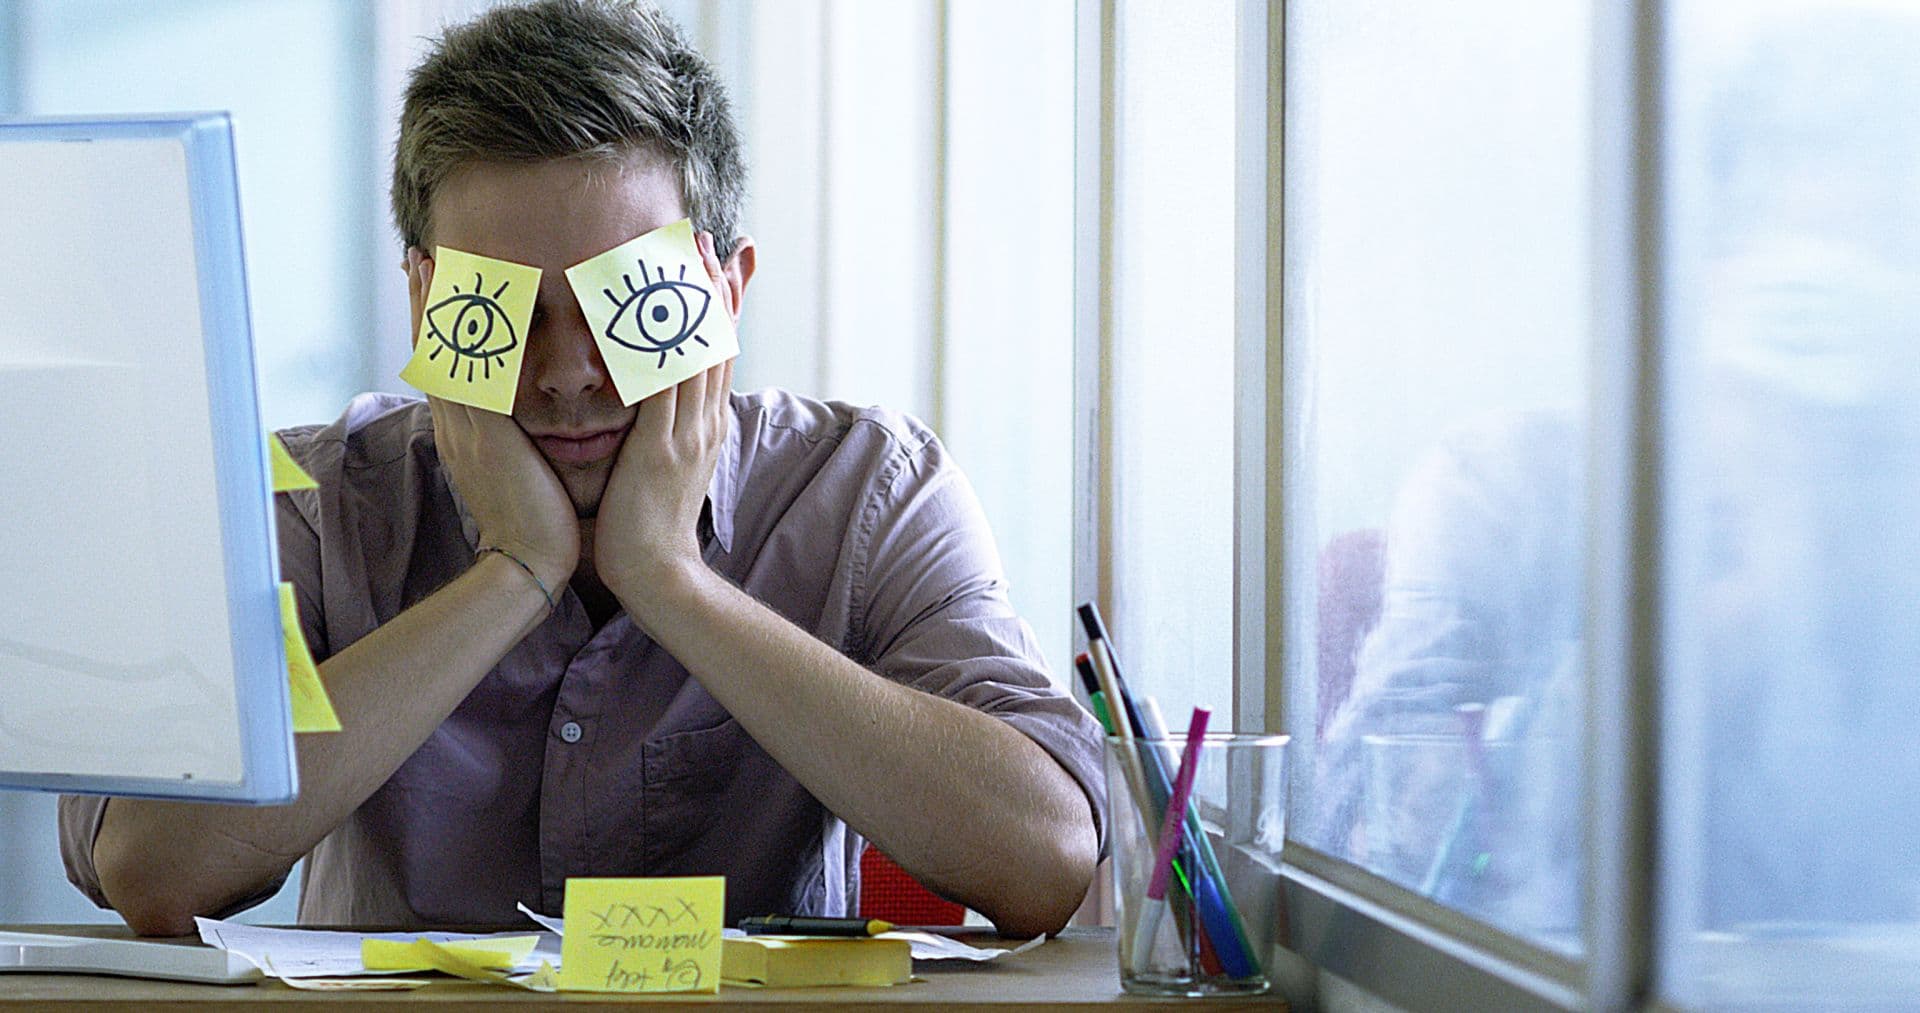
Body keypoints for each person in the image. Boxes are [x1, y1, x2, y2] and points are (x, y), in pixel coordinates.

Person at [58, 0, 1103, 938]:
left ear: (724, 291)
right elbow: (148, 862)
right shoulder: (307, 499)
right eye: (502, 309)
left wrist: (671, 581)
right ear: (427, 302)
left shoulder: (868, 490)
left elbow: (1044, 857)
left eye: (628, 306)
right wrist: (512, 571)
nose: (567, 374)